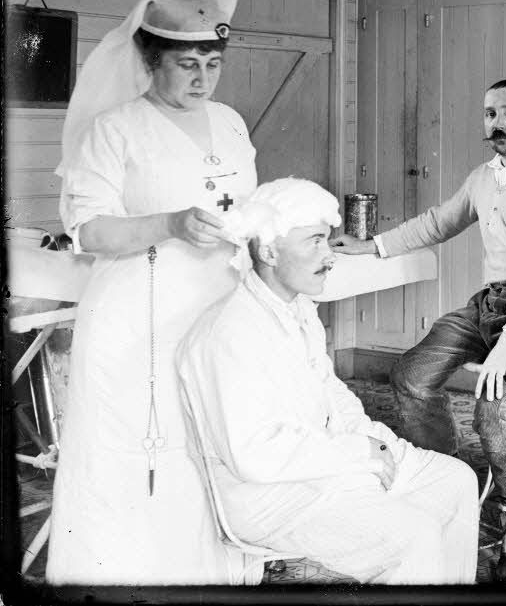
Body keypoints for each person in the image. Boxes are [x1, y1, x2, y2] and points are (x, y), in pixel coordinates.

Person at [47, 0, 256, 584]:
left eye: (212, 64)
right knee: (144, 455)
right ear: (148, 61)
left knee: (209, 445)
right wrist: (167, 223)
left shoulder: (231, 122)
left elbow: (240, 202)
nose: (202, 79)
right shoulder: (115, 129)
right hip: (139, 319)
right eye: (186, 64)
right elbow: (86, 230)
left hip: (216, 312)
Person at [331, 79, 506, 584]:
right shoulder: (483, 178)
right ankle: (450, 486)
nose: (499, 125)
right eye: (490, 114)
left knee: (496, 406)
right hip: (489, 306)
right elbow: (438, 222)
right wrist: (371, 246)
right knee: (411, 375)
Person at [177, 178, 479, 584]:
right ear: (268, 250)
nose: (329, 255)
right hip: (269, 495)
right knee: (412, 536)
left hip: (324, 461)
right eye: (314, 241)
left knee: (456, 481)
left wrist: (375, 443)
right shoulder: (230, 332)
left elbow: (331, 390)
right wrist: (359, 454)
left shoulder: (298, 306)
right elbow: (255, 456)